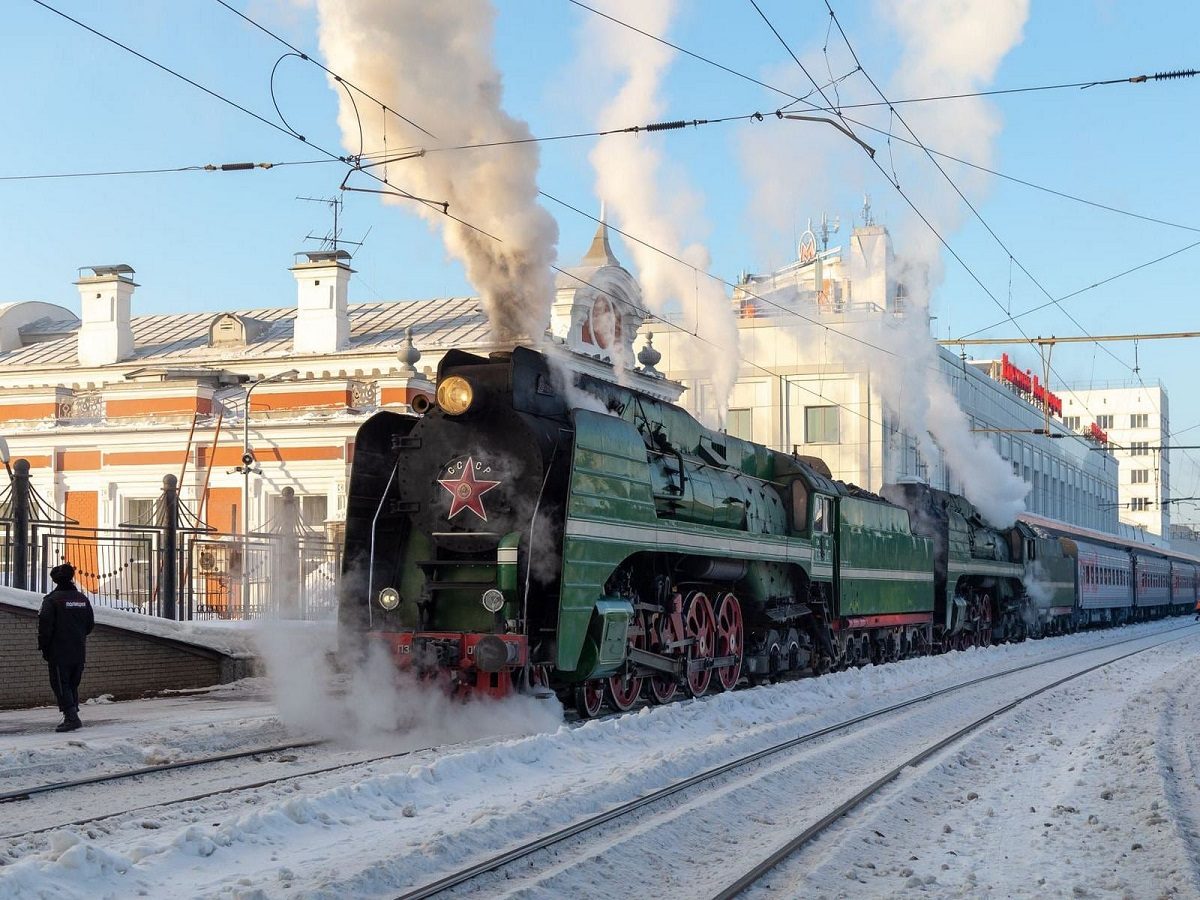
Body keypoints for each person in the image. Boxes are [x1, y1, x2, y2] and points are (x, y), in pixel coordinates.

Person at [37, 563, 94, 732]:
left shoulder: (52, 600)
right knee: (72, 683)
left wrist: (45, 647)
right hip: (78, 649)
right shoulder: (82, 599)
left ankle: (71, 718)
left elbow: (45, 627)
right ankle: (73, 712)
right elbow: (90, 625)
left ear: (55, 580)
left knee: (61, 685)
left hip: (59, 651)